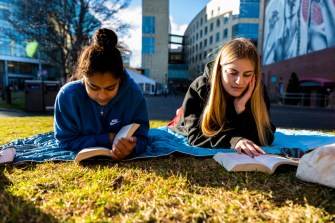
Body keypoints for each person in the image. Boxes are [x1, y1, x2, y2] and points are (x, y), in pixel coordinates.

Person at [169, 38, 276, 157]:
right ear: (220, 70)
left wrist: (241, 109)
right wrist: (235, 141)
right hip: (184, 120)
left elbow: (266, 134)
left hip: (220, 125)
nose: (239, 81)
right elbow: (196, 137)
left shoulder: (258, 89)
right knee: (180, 116)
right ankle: (180, 112)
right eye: (232, 72)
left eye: (247, 74)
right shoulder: (201, 87)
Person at [54, 28, 149, 161]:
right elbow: (65, 141)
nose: (102, 96)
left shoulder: (134, 95)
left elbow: (143, 136)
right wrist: (108, 138)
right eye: (93, 87)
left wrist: (133, 147)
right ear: (84, 78)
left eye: (110, 88)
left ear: (120, 80)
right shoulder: (68, 96)